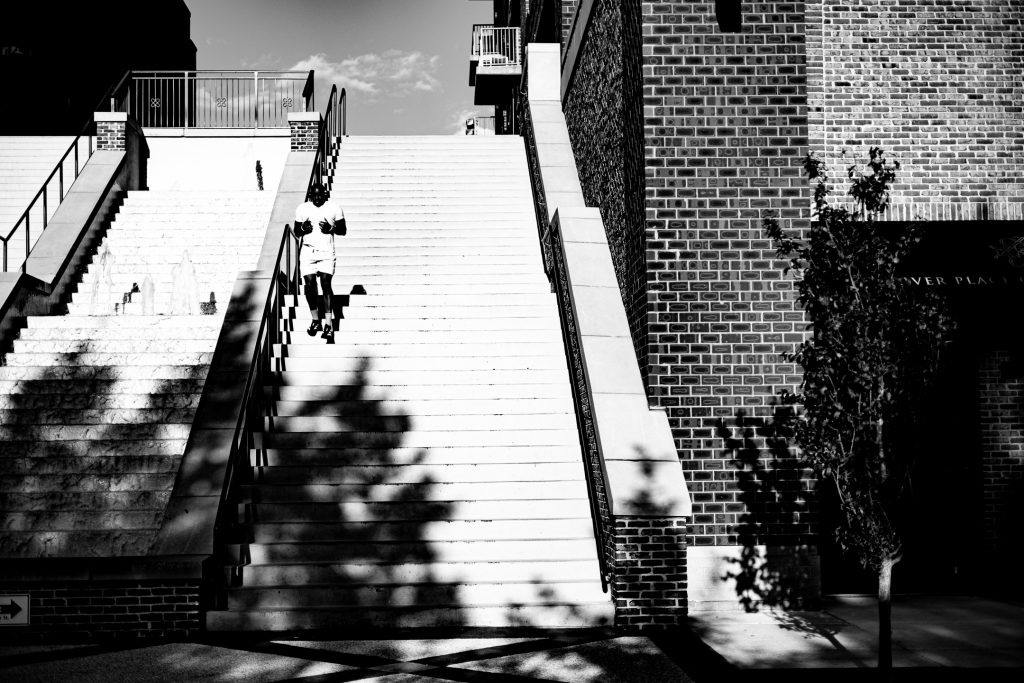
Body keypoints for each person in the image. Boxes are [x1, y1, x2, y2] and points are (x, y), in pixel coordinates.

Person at [294, 182, 346, 343]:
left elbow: (343, 230)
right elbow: (296, 231)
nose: (317, 198)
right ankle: (316, 319)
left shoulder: (334, 208)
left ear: (325, 194)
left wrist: (331, 229)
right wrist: (303, 229)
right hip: (308, 251)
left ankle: (328, 325)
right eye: (314, 195)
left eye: (320, 195)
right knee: (309, 284)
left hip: (326, 252)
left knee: (325, 283)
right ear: (310, 195)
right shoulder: (302, 208)